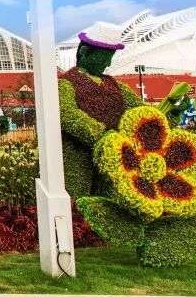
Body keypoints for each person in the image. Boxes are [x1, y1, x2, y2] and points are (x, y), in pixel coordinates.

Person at [58, 21, 188, 199]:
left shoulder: (116, 86)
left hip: (115, 160)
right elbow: (67, 114)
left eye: (110, 57)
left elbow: (144, 116)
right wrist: (104, 135)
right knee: (78, 202)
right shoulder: (65, 83)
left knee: (109, 203)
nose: (108, 63)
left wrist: (172, 111)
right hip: (78, 158)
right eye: (104, 57)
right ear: (84, 52)